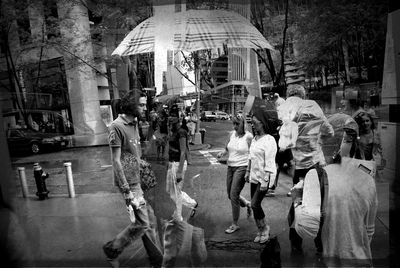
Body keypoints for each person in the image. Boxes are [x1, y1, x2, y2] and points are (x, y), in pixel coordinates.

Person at [293, 117, 378, 267]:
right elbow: (369, 230)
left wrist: (298, 199)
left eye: (321, 139)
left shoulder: (316, 176)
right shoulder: (367, 176)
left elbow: (306, 230)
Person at [103, 91, 163, 268]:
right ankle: (112, 249)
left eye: (145, 105)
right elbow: (116, 160)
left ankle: (157, 261)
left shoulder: (135, 123)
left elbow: (136, 150)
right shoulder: (116, 126)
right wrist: (127, 190)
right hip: (130, 184)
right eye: (142, 105)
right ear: (131, 105)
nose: (145, 108)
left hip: (139, 179)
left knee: (148, 223)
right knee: (144, 223)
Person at [282, 84, 334, 254]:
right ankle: (320, 244)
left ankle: (296, 242)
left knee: (298, 202)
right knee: (319, 204)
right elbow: (329, 131)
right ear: (303, 95)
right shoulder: (314, 107)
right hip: (316, 165)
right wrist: (317, 141)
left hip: (299, 167)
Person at [217, 115, 253, 234]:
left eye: (237, 124)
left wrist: (249, 170)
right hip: (230, 166)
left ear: (243, 124)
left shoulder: (249, 137)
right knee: (230, 194)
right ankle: (247, 204)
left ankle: (235, 224)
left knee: (233, 194)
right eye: (234, 124)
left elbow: (252, 155)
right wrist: (222, 153)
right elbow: (226, 148)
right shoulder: (231, 134)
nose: (235, 126)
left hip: (242, 167)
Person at [245, 112, 277, 244]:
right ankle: (260, 230)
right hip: (254, 177)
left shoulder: (269, 140)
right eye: (251, 122)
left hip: (264, 177)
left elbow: (270, 162)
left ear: (262, 123)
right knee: (254, 205)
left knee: (254, 203)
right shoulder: (254, 139)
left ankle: (265, 228)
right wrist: (247, 171)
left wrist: (265, 181)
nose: (252, 125)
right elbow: (251, 157)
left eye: (255, 122)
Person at [166, 104, 198, 221]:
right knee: (171, 191)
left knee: (176, 192)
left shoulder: (181, 132)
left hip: (177, 164)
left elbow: (183, 152)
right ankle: (192, 203)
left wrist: (179, 171)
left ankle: (178, 218)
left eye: (173, 115)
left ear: (178, 117)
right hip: (171, 164)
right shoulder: (173, 130)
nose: (170, 117)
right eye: (170, 115)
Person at [353, 110, 385, 176]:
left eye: (367, 121)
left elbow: (380, 150)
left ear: (371, 122)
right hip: (360, 165)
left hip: (373, 163)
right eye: (362, 122)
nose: (365, 123)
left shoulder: (376, 133)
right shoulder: (358, 135)